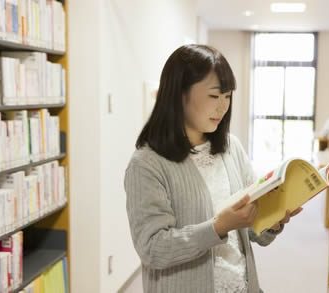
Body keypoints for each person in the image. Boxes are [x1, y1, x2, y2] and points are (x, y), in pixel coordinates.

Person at [124, 44, 303, 293]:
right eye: (214, 96)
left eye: (228, 96)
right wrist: (218, 227)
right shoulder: (147, 164)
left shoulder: (231, 147)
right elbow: (152, 248)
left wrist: (272, 220)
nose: (222, 107)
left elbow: (250, 232)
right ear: (179, 94)